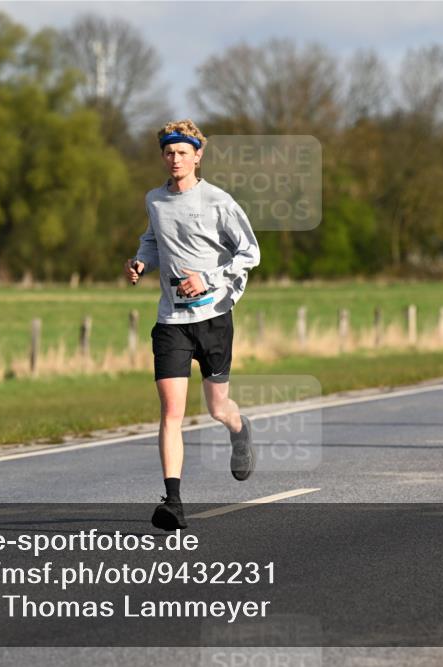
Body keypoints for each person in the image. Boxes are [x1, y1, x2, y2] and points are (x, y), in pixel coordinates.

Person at [124, 120, 260, 531]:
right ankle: (173, 501)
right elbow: (153, 238)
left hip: (214, 317)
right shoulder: (155, 200)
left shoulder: (218, 200)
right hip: (172, 321)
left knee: (218, 406)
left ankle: (239, 428)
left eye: (183, 152)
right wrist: (141, 260)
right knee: (171, 413)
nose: (175, 158)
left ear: (197, 155)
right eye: (169, 152)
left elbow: (249, 252)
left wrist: (208, 277)